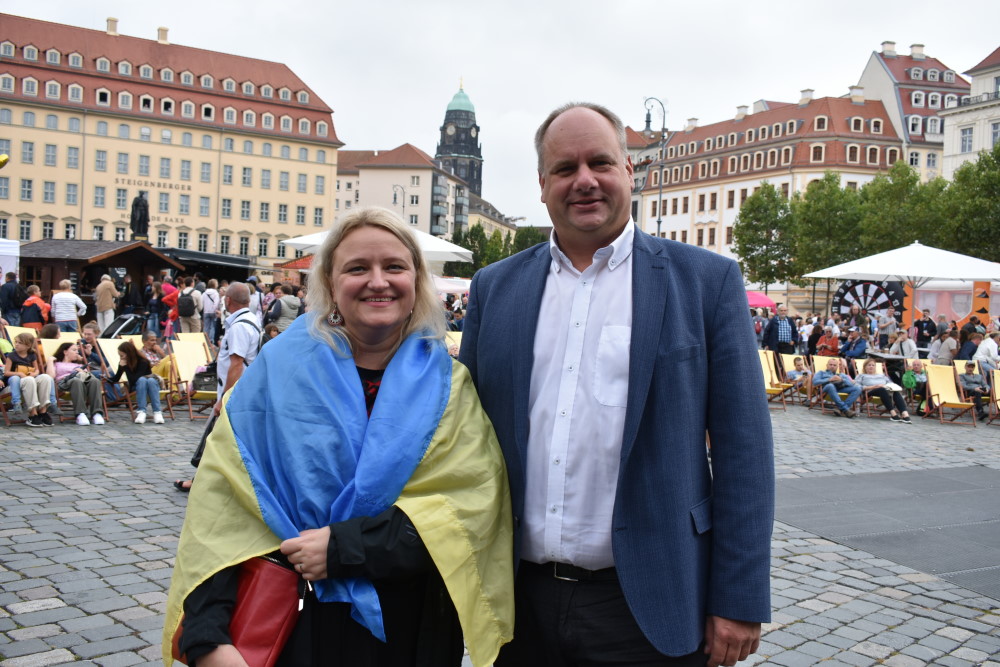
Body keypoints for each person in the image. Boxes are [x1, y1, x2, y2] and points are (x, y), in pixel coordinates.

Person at [460, 103, 774, 667]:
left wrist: (739, 596)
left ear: (630, 170)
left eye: (600, 162)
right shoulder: (495, 287)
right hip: (518, 603)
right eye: (564, 168)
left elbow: (744, 453)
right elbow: (469, 442)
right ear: (542, 184)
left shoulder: (705, 282)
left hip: (649, 602)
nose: (584, 180)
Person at [164, 208, 513, 667]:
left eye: (393, 266)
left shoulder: (450, 385)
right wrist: (207, 637)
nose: (377, 281)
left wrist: (346, 547)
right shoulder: (277, 370)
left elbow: (468, 510)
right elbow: (225, 503)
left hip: (408, 631)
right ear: (330, 284)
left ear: (416, 281)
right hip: (292, 627)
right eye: (357, 268)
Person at [47, 341, 104, 425]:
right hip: (64, 383)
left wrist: (82, 371)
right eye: (74, 350)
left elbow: (88, 378)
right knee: (76, 381)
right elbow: (50, 376)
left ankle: (97, 413)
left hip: (82, 384)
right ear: (65, 352)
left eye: (77, 350)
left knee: (95, 381)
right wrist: (50, 361)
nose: (77, 352)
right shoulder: (57, 364)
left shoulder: (79, 365)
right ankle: (80, 414)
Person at [3, 332, 53, 427]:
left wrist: (34, 373)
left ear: (28, 345)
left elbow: (37, 369)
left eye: (19, 342)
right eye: (16, 342)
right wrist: (19, 373)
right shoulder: (12, 355)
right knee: (29, 380)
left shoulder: (32, 355)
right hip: (15, 385)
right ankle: (32, 414)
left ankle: (42, 412)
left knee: (45, 377)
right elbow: (6, 372)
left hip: (30, 382)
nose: (16, 344)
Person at [109, 340, 164, 424]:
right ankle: (142, 412)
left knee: (149, 380)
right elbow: (116, 378)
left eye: (122, 355)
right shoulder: (124, 362)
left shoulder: (143, 362)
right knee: (143, 380)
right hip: (136, 387)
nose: (121, 358)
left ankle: (157, 412)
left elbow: (135, 379)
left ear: (129, 353)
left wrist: (125, 367)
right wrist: (106, 378)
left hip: (150, 387)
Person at [856, 359, 912, 423]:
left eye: (873, 365)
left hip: (885, 391)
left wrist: (889, 386)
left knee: (895, 391)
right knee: (881, 389)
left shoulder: (882, 375)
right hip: (870, 392)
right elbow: (857, 387)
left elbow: (890, 383)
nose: (871, 367)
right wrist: (873, 387)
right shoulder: (861, 376)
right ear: (865, 367)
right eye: (869, 365)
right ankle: (893, 413)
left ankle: (905, 414)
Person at [201, 279, 221, 344]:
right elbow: (216, 303)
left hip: (206, 311)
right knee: (213, 326)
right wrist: (214, 309)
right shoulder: (216, 293)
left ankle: (205, 340)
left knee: (206, 326)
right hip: (213, 312)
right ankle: (211, 340)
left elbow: (201, 302)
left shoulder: (204, 293)